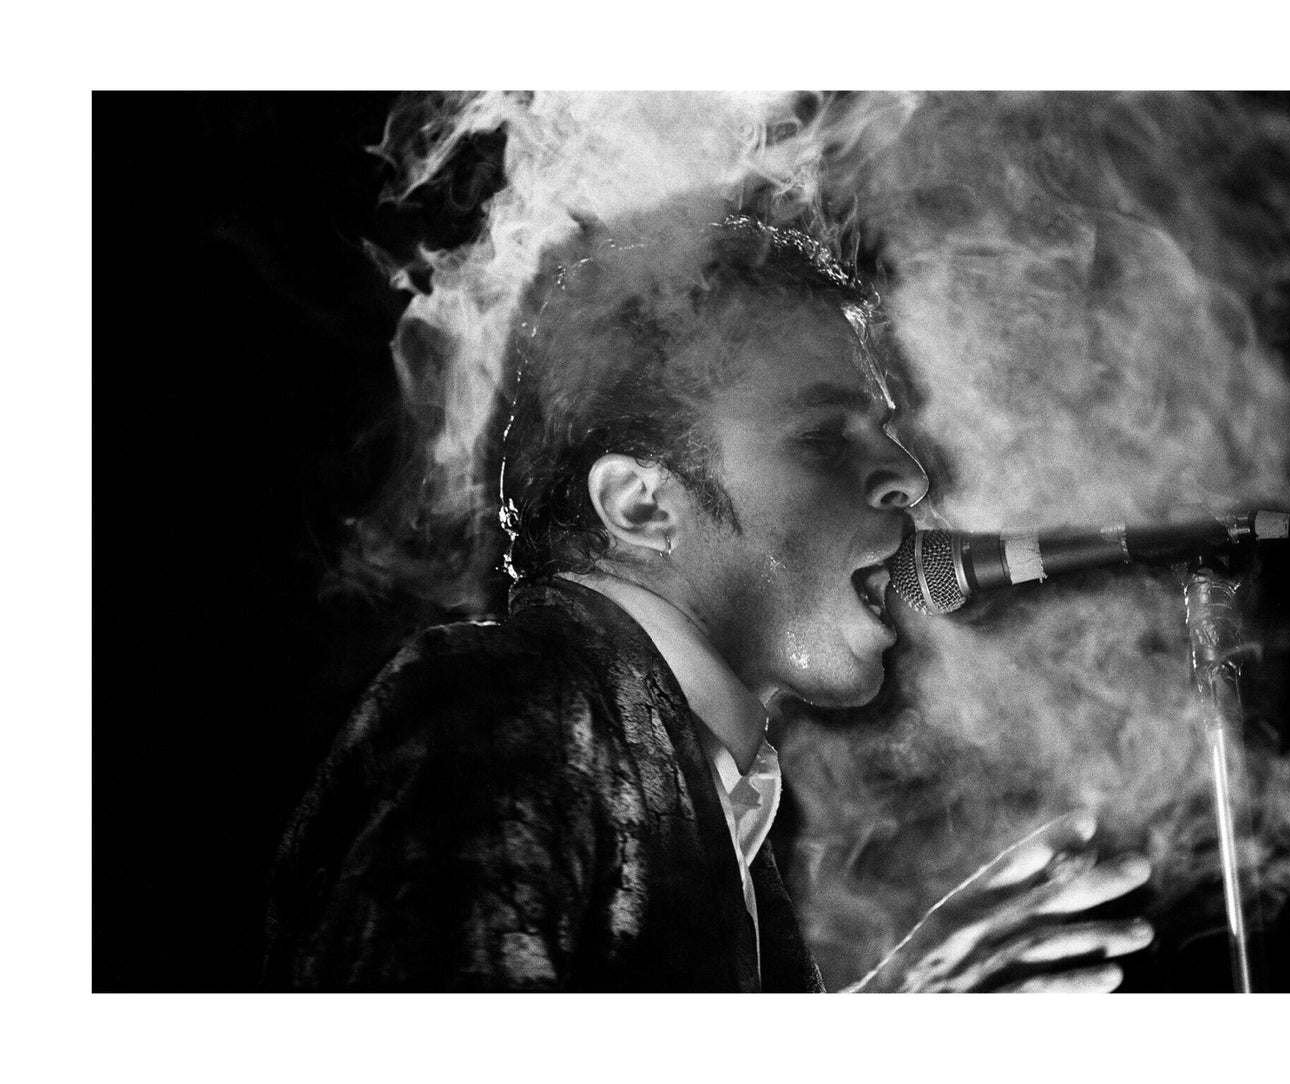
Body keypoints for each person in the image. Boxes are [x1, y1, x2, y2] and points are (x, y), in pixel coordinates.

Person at [263, 212, 1153, 992]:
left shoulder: (709, 790)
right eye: (821, 436)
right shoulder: (495, 705)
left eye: (883, 431)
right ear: (641, 505)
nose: (908, 477)